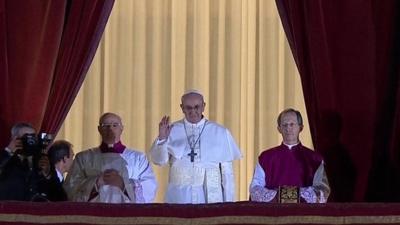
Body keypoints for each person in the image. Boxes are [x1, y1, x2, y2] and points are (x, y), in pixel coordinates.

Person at [149, 90, 242, 204]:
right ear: (182, 108)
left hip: (209, 196)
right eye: (188, 108)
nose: (193, 111)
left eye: (197, 107)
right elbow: (159, 161)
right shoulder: (171, 130)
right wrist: (162, 138)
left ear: (204, 106)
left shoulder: (220, 132)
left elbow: (227, 174)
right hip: (178, 196)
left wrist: (229, 204)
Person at [64, 112, 157, 203]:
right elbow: (71, 187)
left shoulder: (138, 158)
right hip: (94, 214)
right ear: (99, 129)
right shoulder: (83, 158)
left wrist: (123, 184)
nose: (110, 129)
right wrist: (96, 183)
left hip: (127, 214)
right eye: (105, 125)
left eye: (115, 125)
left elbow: (149, 187)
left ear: (122, 128)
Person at [249, 108, 330, 203]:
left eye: (292, 124)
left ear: (301, 127)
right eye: (284, 125)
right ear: (279, 129)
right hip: (273, 214)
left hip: (304, 214)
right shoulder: (266, 158)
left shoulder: (315, 159)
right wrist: (280, 196)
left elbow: (322, 190)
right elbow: (255, 189)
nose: (288, 128)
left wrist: (288, 196)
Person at [0, 122, 56, 201]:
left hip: (35, 209)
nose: (30, 141)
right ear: (15, 139)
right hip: (9, 209)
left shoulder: (42, 159)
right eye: (26, 137)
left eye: (33, 137)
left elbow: (57, 191)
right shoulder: (6, 158)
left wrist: (47, 174)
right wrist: (9, 150)